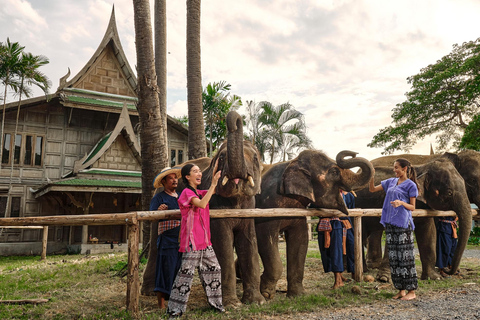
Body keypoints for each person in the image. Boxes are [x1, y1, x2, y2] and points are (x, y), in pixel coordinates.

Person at [167, 162, 225, 317]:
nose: (199, 174)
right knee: (185, 276)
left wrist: (218, 178)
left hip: (205, 242)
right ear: (187, 176)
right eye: (195, 171)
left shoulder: (200, 192)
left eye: (200, 171)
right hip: (192, 242)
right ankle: (174, 310)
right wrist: (213, 184)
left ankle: (216, 305)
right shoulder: (186, 192)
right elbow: (202, 204)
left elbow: (212, 193)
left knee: (215, 269)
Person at [369, 158, 419, 301]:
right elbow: (372, 189)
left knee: (405, 258)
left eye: (396, 167)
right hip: (390, 224)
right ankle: (400, 289)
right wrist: (371, 176)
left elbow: (413, 207)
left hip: (403, 225)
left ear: (404, 169)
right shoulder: (390, 182)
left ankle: (412, 291)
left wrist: (401, 203)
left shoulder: (411, 185)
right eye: (394, 167)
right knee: (394, 258)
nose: (394, 170)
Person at [151, 167, 182, 309]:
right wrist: (158, 212)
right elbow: (151, 217)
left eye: (175, 177)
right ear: (163, 181)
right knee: (165, 269)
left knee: (178, 269)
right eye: (171, 178)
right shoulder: (159, 198)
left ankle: (176, 301)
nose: (175, 180)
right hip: (167, 239)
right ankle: (161, 304)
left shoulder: (182, 196)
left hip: (182, 239)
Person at [315, 189, 355, 289]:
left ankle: (343, 277)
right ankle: (338, 277)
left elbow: (350, 210)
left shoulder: (348, 195)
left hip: (342, 224)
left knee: (345, 249)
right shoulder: (324, 193)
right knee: (330, 251)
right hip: (328, 224)